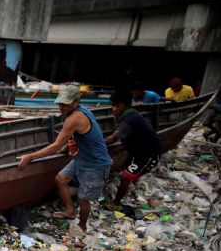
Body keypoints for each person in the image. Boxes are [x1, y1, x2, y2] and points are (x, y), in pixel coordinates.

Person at [17, 85, 112, 232]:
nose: (61, 107)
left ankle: (82, 227)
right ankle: (69, 211)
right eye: (60, 103)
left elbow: (55, 146)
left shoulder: (75, 118)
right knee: (60, 179)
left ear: (76, 101)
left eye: (65, 104)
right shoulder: (79, 112)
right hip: (82, 158)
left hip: (96, 163)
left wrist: (30, 157)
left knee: (83, 199)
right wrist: (68, 147)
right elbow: (78, 134)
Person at [104, 90, 164, 206]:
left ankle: (115, 202)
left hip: (149, 154)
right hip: (136, 151)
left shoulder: (129, 119)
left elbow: (112, 139)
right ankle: (131, 190)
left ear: (126, 105)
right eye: (112, 105)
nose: (114, 109)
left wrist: (94, 143)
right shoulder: (126, 115)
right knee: (128, 173)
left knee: (126, 177)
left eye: (117, 106)